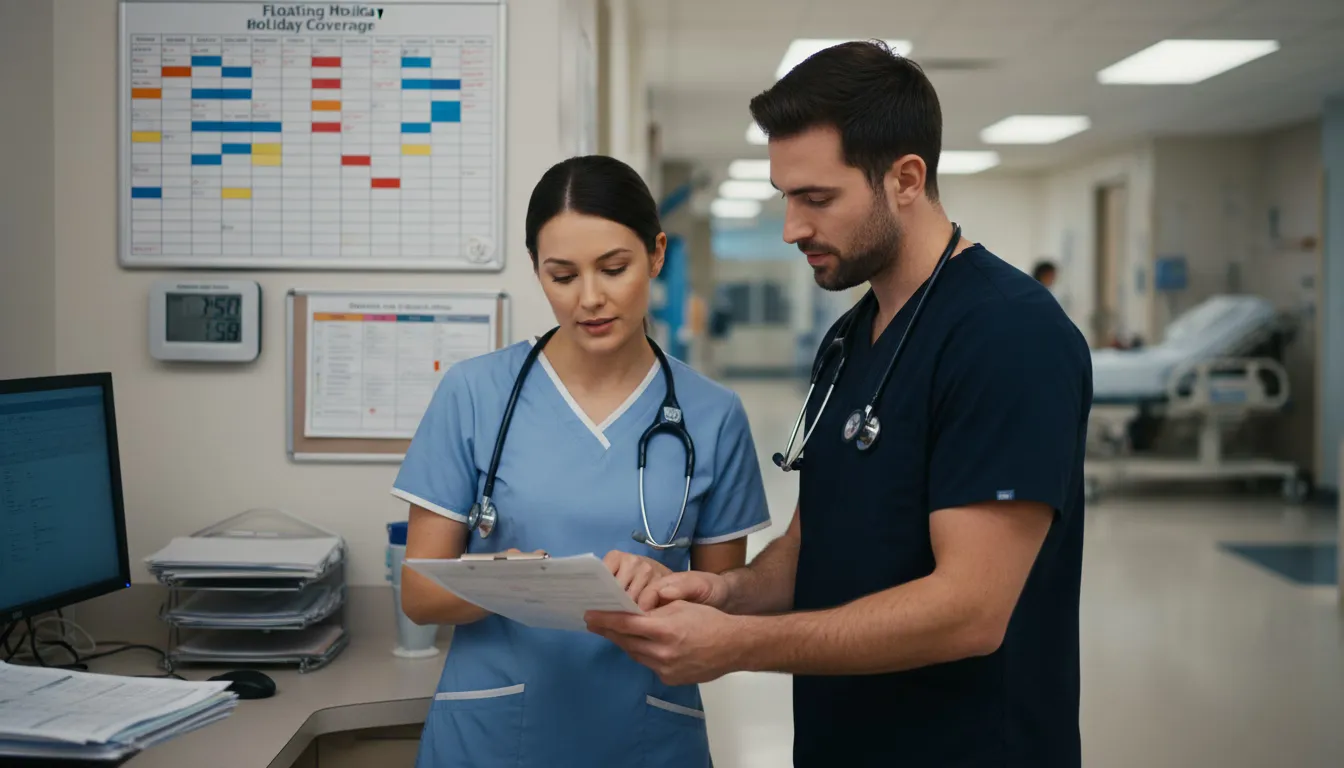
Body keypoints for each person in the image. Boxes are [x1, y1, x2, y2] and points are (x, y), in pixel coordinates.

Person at [586, 41, 1093, 767]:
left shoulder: (1007, 335)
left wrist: (738, 645)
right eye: (785, 197)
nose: (792, 227)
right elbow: (814, 541)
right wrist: (724, 594)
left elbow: (971, 612)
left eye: (817, 199)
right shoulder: (852, 336)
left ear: (906, 179)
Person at [392, 155, 772, 767]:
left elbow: (726, 606)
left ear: (656, 254)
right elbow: (418, 594)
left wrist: (667, 588)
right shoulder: (474, 393)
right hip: (491, 738)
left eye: (614, 269)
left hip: (647, 736)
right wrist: (505, 579)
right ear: (537, 270)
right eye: (562, 276)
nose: (590, 299)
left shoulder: (714, 415)